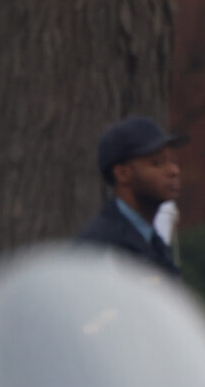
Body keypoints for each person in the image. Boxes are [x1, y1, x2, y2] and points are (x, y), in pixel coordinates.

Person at [77, 115, 185, 277]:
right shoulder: (103, 248)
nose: (174, 171)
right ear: (123, 174)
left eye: (173, 161)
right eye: (158, 163)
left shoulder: (153, 242)